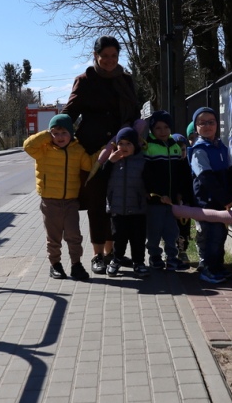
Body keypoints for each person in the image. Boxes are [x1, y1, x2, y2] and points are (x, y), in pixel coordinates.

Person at [63, 36, 139, 274]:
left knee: (116, 203)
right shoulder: (85, 80)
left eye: (113, 56)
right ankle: (97, 256)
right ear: (95, 55)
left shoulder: (126, 80)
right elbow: (70, 112)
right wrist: (55, 134)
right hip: (93, 153)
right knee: (97, 204)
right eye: (104, 56)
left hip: (121, 149)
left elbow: (135, 113)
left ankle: (112, 254)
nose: (109, 60)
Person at [23, 114, 95, 280]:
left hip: (70, 202)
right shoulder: (43, 150)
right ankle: (55, 265)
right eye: (55, 133)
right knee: (53, 237)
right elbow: (27, 146)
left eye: (64, 133)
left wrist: (102, 152)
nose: (59, 137)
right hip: (50, 202)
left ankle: (76, 265)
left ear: (71, 133)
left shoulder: (77, 150)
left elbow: (89, 164)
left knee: (74, 236)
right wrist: (47, 134)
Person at [189, 106, 232, 284]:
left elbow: (229, 170)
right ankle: (208, 268)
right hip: (207, 202)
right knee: (209, 235)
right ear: (196, 127)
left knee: (220, 234)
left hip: (221, 202)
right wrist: (225, 199)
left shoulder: (221, 147)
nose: (207, 126)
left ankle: (218, 266)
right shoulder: (199, 150)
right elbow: (206, 178)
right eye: (202, 122)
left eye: (211, 122)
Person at [142, 111, 189, 271]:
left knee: (172, 230)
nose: (162, 131)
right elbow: (147, 174)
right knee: (154, 231)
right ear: (152, 130)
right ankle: (154, 256)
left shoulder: (175, 146)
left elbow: (180, 174)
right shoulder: (148, 147)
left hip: (172, 201)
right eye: (158, 128)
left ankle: (172, 257)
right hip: (155, 200)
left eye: (166, 127)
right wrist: (156, 193)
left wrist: (179, 193)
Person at [104, 127, 149, 276]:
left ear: (135, 145)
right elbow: (102, 179)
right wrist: (110, 162)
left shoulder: (142, 161)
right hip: (117, 208)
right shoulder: (113, 161)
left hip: (137, 208)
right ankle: (116, 259)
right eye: (121, 143)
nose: (123, 147)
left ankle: (139, 262)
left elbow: (149, 181)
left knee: (138, 238)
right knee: (119, 237)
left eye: (128, 144)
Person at [172, 131, 194, 265]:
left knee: (184, 229)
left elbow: (189, 184)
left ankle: (182, 251)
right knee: (171, 229)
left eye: (183, 149)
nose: (181, 152)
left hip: (185, 204)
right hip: (173, 203)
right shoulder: (170, 165)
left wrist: (187, 200)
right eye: (177, 149)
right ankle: (170, 252)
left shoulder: (188, 165)